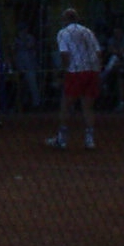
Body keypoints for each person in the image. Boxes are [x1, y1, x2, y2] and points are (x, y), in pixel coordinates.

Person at [47, 9, 101, 150]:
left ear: (64, 19)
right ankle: (89, 139)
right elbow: (98, 51)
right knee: (88, 106)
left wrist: (64, 70)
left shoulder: (63, 33)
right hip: (91, 69)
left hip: (76, 70)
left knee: (65, 105)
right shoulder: (87, 31)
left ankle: (62, 138)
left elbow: (65, 54)